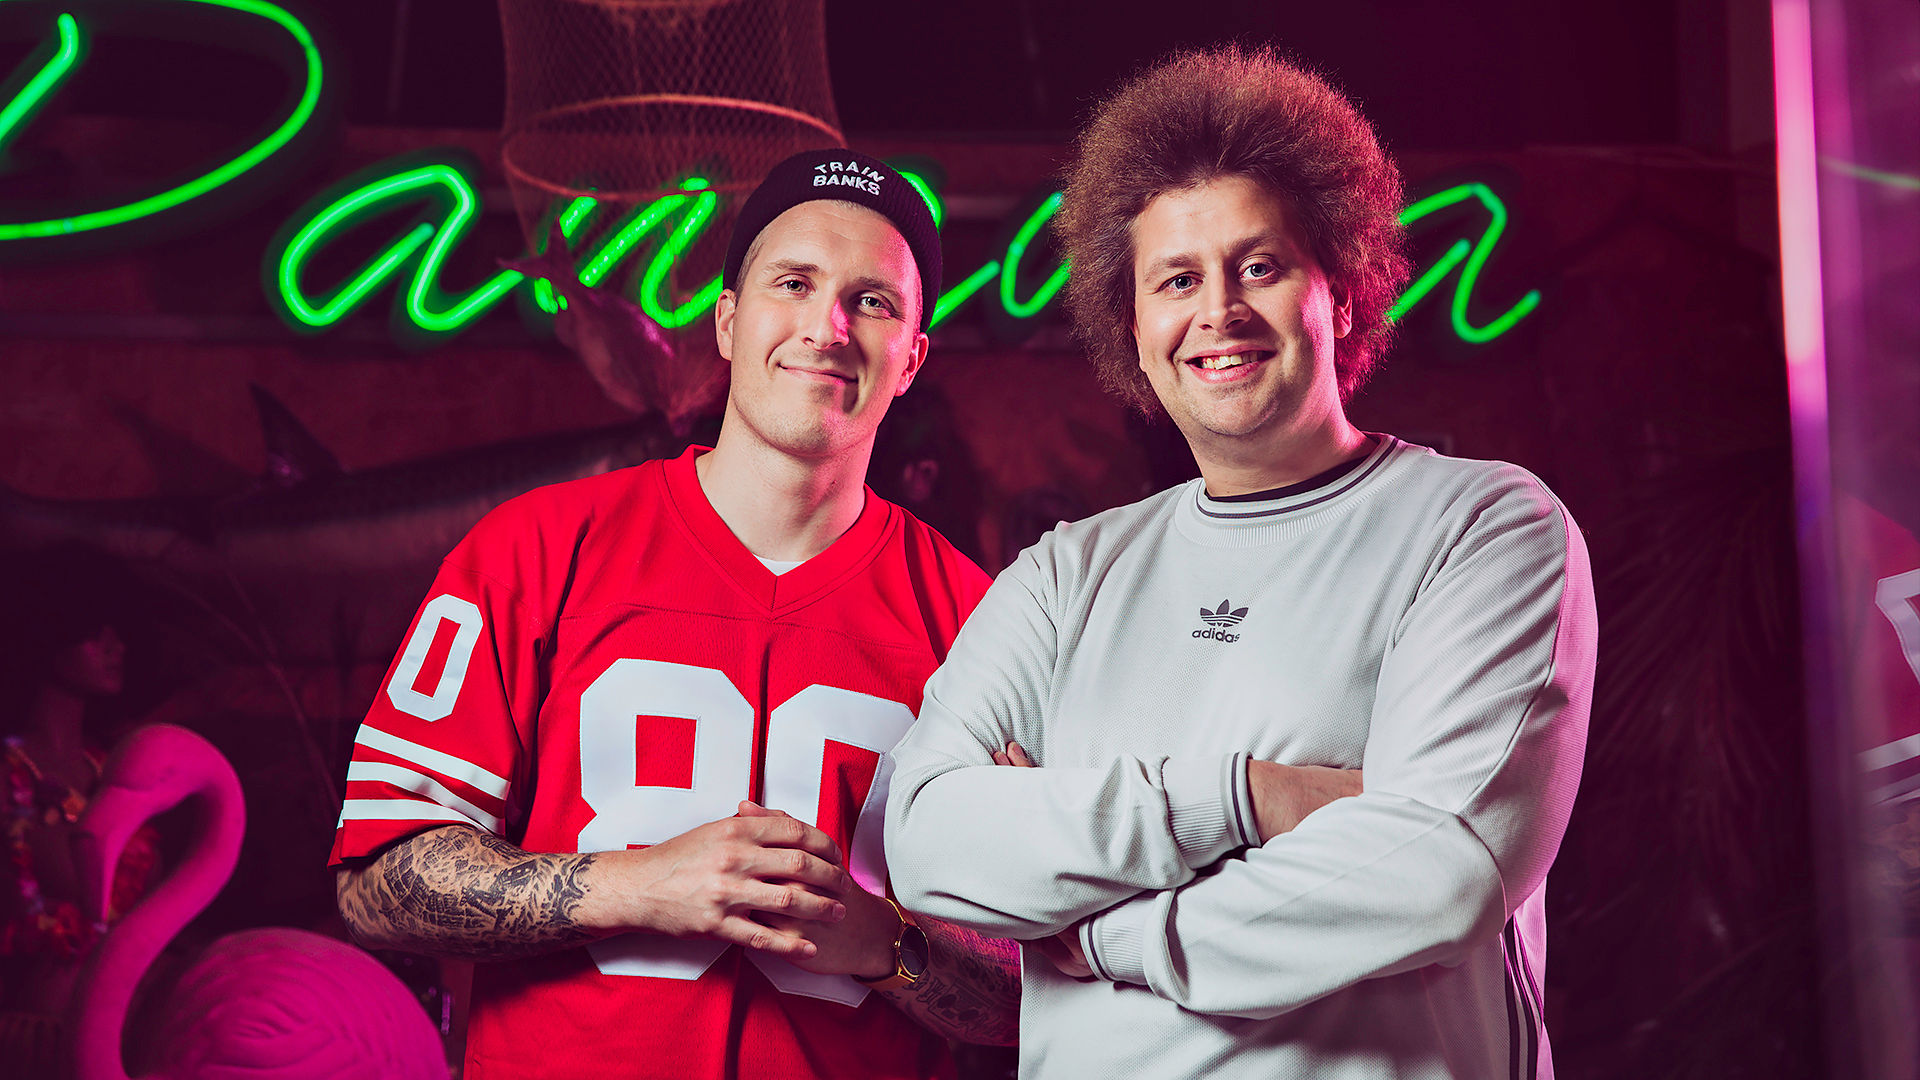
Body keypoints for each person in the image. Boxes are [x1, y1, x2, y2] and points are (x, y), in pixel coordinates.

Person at [885, 46, 1595, 1080]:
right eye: (1177, 280)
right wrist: (1252, 800)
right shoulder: (1063, 577)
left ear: (1340, 293)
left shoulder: (1482, 527)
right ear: (1135, 327)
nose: (1217, 311)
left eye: (1259, 266)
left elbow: (1439, 868)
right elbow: (924, 839)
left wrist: (1107, 930)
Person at [331, 150, 1020, 1079]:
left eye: (872, 301)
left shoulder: (981, 623)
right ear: (729, 322)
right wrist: (637, 886)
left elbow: (1033, 989)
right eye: (794, 283)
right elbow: (376, 883)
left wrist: (882, 943)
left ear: (911, 360)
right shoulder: (536, 549)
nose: (827, 327)